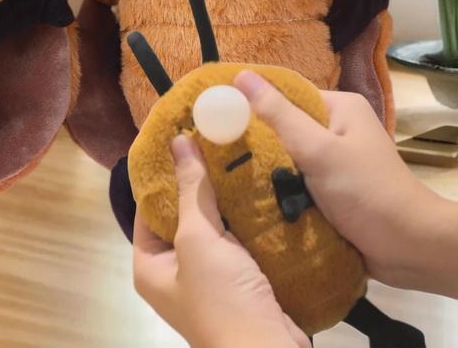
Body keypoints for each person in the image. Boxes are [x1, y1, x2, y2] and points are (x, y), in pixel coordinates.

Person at [133, 69, 458, 348]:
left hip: (330, 275)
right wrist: (422, 234)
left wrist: (238, 337)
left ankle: (384, 330)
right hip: (304, 291)